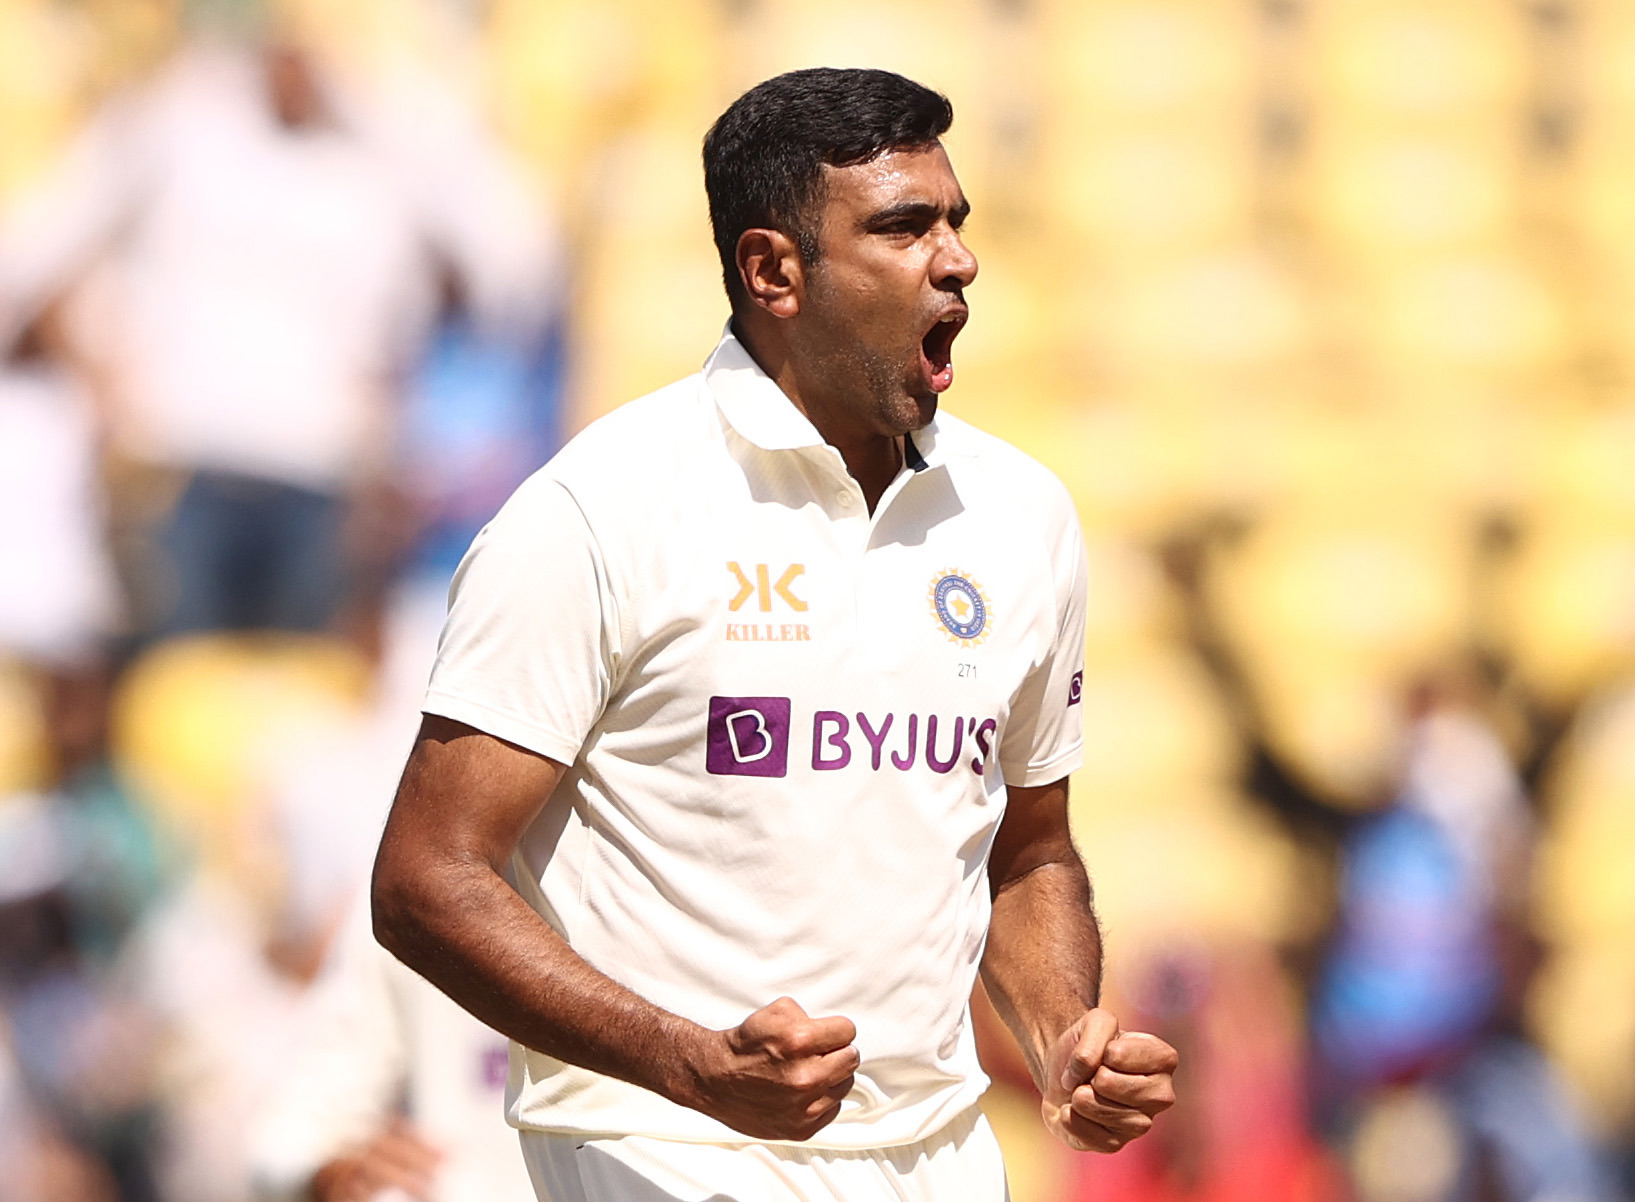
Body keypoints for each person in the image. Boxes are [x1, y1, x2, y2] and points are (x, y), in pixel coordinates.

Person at [371, 67, 1177, 1202]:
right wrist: (689, 1062)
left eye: (956, 222)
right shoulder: (599, 508)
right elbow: (425, 876)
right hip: (665, 1152)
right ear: (772, 271)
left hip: (941, 1162)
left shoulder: (1021, 513)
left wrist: (1062, 1038)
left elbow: (1029, 847)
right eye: (904, 227)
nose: (957, 260)